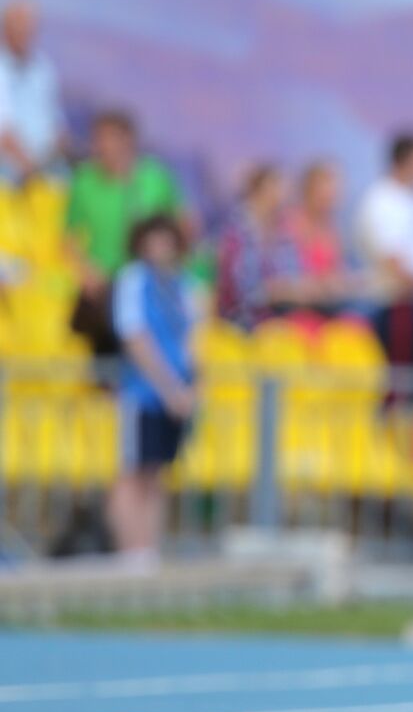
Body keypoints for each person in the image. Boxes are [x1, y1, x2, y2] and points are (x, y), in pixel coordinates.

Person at [107, 214, 202, 566]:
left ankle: (148, 551)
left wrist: (191, 387)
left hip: (174, 396)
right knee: (133, 472)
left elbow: (193, 340)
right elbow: (135, 339)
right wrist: (168, 387)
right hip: (143, 394)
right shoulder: (134, 280)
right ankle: (130, 553)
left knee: (157, 473)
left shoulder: (182, 285)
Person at [66, 110, 188, 359]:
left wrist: (171, 266)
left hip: (148, 284)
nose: (99, 146)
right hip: (104, 286)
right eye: (97, 139)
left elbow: (181, 225)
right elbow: (68, 238)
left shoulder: (155, 178)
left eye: (106, 139)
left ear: (127, 140)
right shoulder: (85, 181)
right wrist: (87, 273)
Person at [355, 131, 413, 384]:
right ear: (405, 160)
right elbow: (390, 258)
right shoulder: (381, 199)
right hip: (395, 305)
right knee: (398, 385)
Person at [215, 164, 318, 330]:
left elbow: (295, 275)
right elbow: (243, 290)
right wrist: (276, 291)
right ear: (260, 191)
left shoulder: (283, 231)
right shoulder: (237, 232)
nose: (283, 195)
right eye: (278, 188)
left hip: (280, 320)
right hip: (242, 323)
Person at [0, 0, 65, 180]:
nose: (24, 32)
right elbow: (3, 133)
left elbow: (56, 124)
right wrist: (30, 168)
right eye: (19, 26)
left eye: (29, 26)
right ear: (5, 29)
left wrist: (58, 154)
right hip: (9, 169)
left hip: (45, 165)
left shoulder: (43, 68)